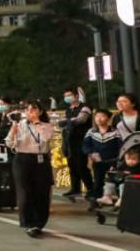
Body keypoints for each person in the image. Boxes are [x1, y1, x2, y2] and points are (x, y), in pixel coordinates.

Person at [6, 100, 56, 238]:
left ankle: (39, 223)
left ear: (40, 111)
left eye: (33, 110)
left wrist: (36, 122)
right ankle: (28, 223)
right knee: (24, 191)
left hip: (40, 160)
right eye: (28, 110)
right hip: (22, 159)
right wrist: (13, 129)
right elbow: (9, 143)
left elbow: (45, 138)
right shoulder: (20, 125)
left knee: (41, 192)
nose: (30, 113)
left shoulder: (47, 125)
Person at [81, 109, 121, 211]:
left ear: (108, 118)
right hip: (97, 161)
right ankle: (95, 202)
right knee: (98, 182)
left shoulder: (115, 132)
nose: (99, 119)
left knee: (115, 181)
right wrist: (90, 153)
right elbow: (85, 145)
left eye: (102, 116)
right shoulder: (91, 132)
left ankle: (118, 202)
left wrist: (117, 159)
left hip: (112, 161)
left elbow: (120, 146)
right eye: (97, 116)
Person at [57, 87, 93, 201]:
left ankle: (91, 189)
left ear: (76, 96)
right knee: (72, 165)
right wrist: (68, 121)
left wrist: (68, 121)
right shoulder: (69, 109)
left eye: (69, 95)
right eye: (65, 96)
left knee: (81, 166)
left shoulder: (85, 108)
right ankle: (75, 188)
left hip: (81, 140)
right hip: (69, 141)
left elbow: (80, 120)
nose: (67, 98)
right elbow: (60, 123)